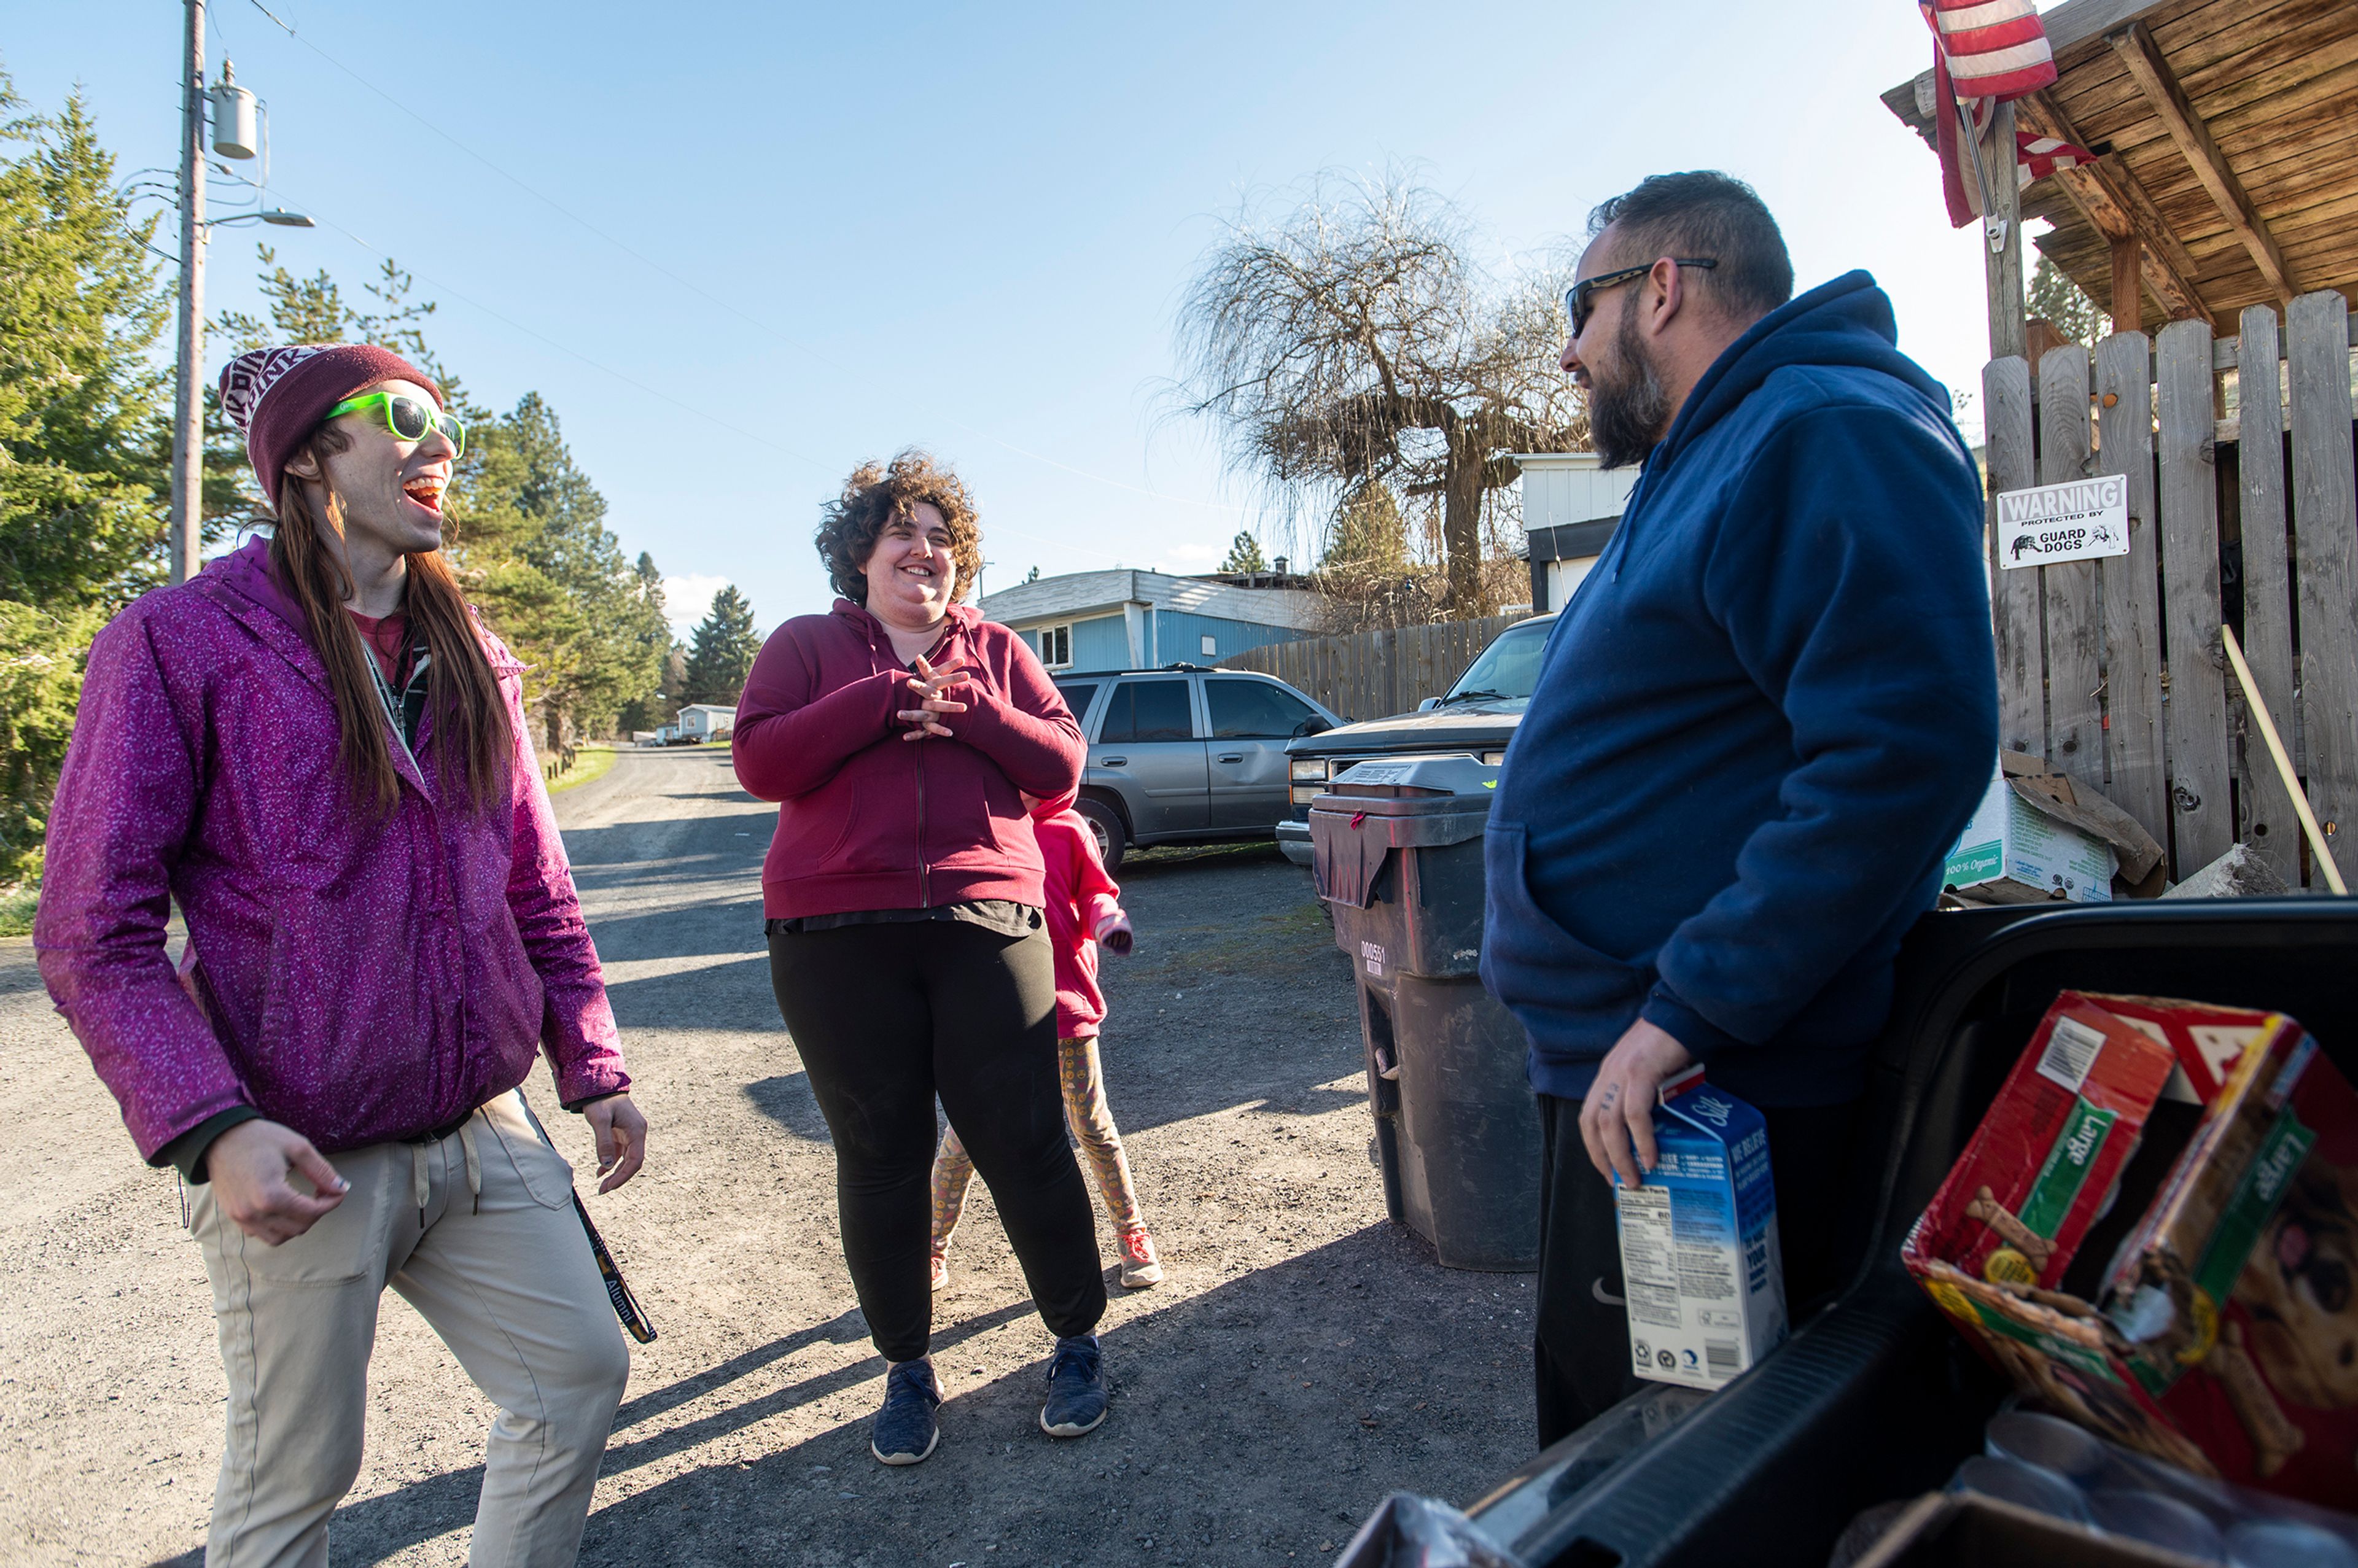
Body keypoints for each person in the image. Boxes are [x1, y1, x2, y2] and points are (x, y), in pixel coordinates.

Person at [36, 343, 649, 1565]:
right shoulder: (180, 643)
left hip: (482, 1118)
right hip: (299, 1143)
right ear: (312, 453)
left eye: (447, 422)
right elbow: (89, 927)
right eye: (407, 417)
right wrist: (213, 1124)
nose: (443, 447)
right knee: (298, 1478)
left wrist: (590, 1055)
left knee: (580, 1372)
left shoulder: (471, 646)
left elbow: (532, 873)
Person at [1479, 173, 1999, 1445]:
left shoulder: (1822, 427)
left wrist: (1688, 1010)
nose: (1566, 347)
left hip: (1709, 1087)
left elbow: (1902, 752)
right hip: (1635, 1068)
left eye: (1578, 304)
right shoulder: (1711, 453)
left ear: (1660, 287)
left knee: (1690, 1480)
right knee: (1616, 1455)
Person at [733, 451, 1110, 1469]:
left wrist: (977, 711)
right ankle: (906, 1366)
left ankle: (1077, 1340)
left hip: (988, 917)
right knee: (883, 1154)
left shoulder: (997, 649)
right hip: (834, 937)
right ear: (860, 553)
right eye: (903, 530)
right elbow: (761, 758)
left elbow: (1062, 764)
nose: (925, 549)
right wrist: (879, 703)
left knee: (1025, 1137)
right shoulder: (807, 644)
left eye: (943, 536)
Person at [929, 788, 1162, 1294]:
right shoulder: (983, 827)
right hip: (995, 1015)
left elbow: (1098, 892)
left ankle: (1133, 1236)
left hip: (1064, 1007)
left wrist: (1108, 923)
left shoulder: (1068, 828)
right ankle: (930, 1249)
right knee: (966, 1137)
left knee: (1091, 1126)